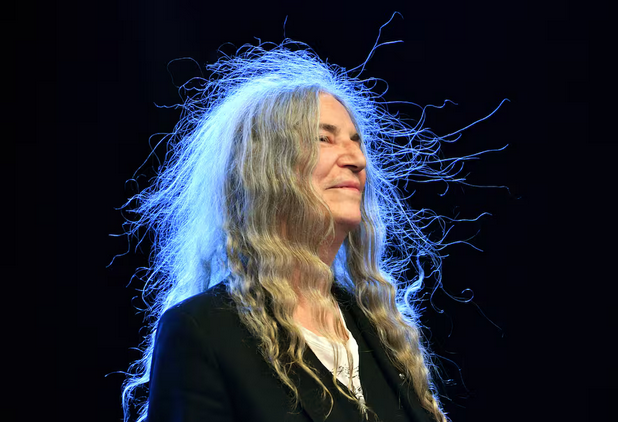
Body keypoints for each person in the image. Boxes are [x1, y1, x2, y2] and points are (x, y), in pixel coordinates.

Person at [120, 40, 460, 422]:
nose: (356, 159)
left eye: (356, 141)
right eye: (324, 138)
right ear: (267, 171)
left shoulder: (381, 332)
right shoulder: (204, 332)